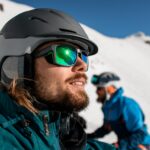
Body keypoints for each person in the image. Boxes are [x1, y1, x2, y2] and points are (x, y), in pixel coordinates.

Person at [0, 8, 116, 150]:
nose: (83, 65)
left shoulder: (49, 123)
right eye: (64, 53)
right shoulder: (6, 138)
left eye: (83, 55)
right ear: (17, 64)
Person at [87, 72, 150, 150]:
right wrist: (88, 137)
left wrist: (119, 146)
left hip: (141, 146)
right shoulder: (108, 108)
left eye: (99, 88)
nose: (97, 92)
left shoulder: (126, 104)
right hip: (126, 146)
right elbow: (106, 128)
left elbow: (141, 134)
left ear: (109, 88)